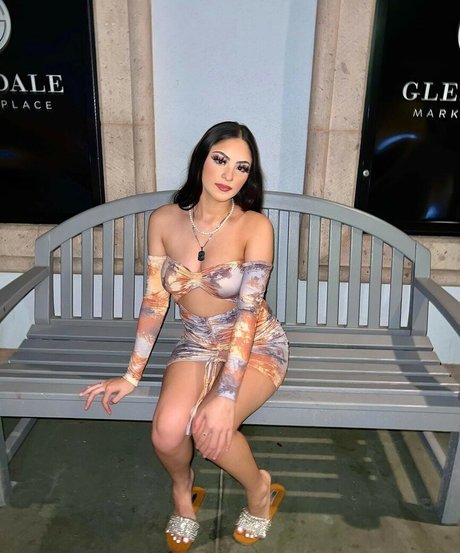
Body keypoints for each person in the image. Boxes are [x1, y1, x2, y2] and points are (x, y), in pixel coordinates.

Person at [80, 121, 289, 551]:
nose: (229, 175)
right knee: (166, 432)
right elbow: (155, 301)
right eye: (220, 160)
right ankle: (182, 488)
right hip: (196, 340)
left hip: (255, 343)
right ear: (201, 160)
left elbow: (248, 314)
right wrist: (132, 375)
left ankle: (259, 488)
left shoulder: (255, 227)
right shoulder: (164, 220)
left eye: (242, 168)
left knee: (211, 429)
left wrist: (225, 395)